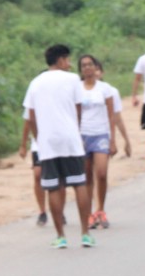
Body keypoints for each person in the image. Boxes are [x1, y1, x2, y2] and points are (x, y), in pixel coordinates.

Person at [23, 44, 93, 249]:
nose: (70, 64)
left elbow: (31, 116)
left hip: (48, 143)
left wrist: (39, 137)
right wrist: (75, 131)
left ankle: (60, 236)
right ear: (61, 60)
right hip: (70, 139)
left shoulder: (35, 83)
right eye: (68, 60)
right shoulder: (72, 80)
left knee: (53, 187)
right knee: (79, 183)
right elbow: (78, 109)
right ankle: (85, 233)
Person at [77, 54, 130, 230]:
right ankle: (91, 212)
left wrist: (112, 140)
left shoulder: (105, 89)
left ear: (95, 67)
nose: (87, 68)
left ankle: (101, 209)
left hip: (100, 134)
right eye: (84, 65)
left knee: (101, 173)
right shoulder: (77, 89)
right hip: (83, 135)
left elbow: (111, 116)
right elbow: (74, 114)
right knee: (86, 177)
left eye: (90, 64)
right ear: (81, 69)